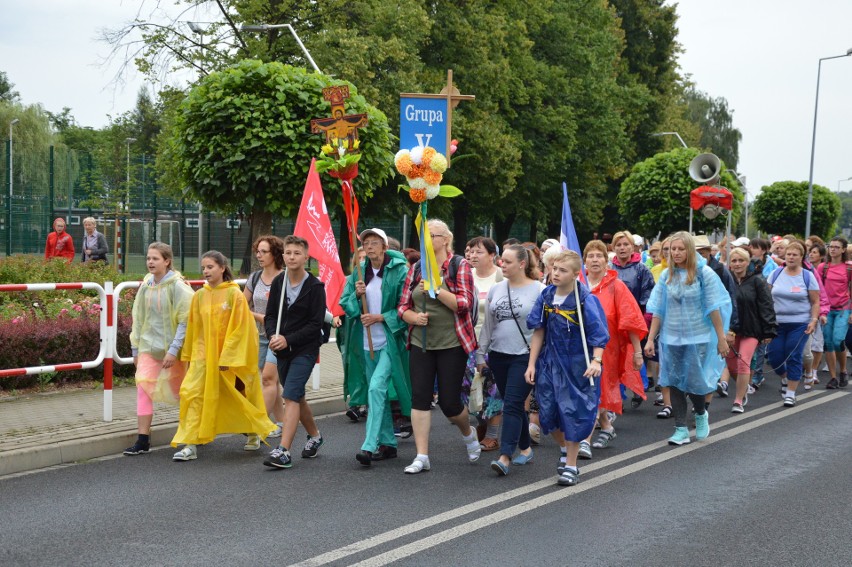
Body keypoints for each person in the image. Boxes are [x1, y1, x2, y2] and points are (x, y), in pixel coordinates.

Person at [397, 219, 481, 474]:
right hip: (421, 342)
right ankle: (422, 455)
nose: (427, 240)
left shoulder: (459, 266)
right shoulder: (417, 268)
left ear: (445, 239)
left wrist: (437, 289)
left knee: (449, 403)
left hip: (452, 343)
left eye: (431, 235)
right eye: (424, 236)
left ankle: (468, 433)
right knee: (420, 398)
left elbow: (464, 303)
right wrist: (410, 316)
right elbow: (402, 304)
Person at [171, 251, 273, 461]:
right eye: (204, 268)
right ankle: (190, 444)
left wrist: (228, 357)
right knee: (192, 394)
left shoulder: (234, 295)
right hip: (203, 358)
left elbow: (241, 328)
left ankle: (253, 432)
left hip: (229, 360)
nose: (206, 271)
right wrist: (193, 356)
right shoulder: (200, 295)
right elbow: (195, 328)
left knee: (239, 396)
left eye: (210, 267)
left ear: (222, 268)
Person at [525, 250, 608, 487]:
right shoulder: (547, 297)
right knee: (549, 413)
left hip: (577, 365)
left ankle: (571, 465)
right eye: (553, 268)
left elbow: (598, 334)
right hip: (550, 363)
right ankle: (564, 448)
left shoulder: (585, 300)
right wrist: (531, 364)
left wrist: (596, 361)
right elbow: (538, 331)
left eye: (562, 270)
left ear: (574, 274)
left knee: (572, 412)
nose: (556, 274)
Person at [644, 232, 731, 446]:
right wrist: (650, 338)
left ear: (690, 250)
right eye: (673, 249)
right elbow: (658, 310)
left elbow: (714, 308)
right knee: (674, 382)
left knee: (694, 381)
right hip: (671, 338)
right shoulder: (666, 275)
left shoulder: (705, 273)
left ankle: (700, 413)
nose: (676, 253)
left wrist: (721, 338)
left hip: (699, 337)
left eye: (681, 249)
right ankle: (680, 428)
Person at [339, 228, 411, 466]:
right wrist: (355, 296)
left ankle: (369, 445)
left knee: (377, 387)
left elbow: (406, 306)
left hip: (390, 341)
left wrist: (381, 317)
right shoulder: (358, 275)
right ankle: (388, 442)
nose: (369, 247)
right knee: (376, 393)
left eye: (374, 242)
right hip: (366, 343)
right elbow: (347, 307)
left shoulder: (399, 271)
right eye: (365, 243)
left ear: (384, 246)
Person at [477, 244, 543, 476]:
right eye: (501, 261)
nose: (501, 265)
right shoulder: (496, 289)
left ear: (522, 264)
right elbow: (488, 326)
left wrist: (535, 361)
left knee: (512, 404)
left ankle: (505, 456)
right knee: (512, 403)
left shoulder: (539, 290)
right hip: (498, 355)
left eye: (507, 262)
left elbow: (542, 329)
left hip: (524, 356)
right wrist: (480, 354)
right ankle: (525, 449)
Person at [263, 236, 327, 469]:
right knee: (297, 395)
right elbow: (271, 315)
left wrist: (288, 339)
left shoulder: (315, 287)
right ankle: (316, 436)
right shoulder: (279, 282)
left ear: (305, 257)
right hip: (281, 350)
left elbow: (315, 324)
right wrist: (273, 336)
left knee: (289, 395)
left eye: (296, 253)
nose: (291, 257)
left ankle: (283, 450)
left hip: (304, 349)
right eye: (288, 253)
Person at [124, 242, 194, 456]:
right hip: (149, 347)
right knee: (143, 387)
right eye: (148, 258)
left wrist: (173, 350)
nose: (150, 262)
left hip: (174, 351)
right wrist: (136, 349)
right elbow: (139, 316)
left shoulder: (178, 286)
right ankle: (143, 440)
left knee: (184, 393)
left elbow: (185, 320)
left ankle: (190, 437)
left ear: (167, 261)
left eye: (155, 258)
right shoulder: (146, 284)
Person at [581, 240, 646, 457]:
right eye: (591, 256)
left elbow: (631, 320)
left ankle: (584, 440)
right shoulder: (577, 284)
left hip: (608, 349)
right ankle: (607, 427)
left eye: (599, 255)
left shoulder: (616, 286)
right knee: (588, 391)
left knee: (595, 391)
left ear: (606, 260)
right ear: (585, 260)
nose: (595, 260)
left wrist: (637, 352)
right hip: (579, 348)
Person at [766, 241, 821, 406]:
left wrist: (813, 320)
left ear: (801, 257)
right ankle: (785, 378)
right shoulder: (775, 274)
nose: (791, 257)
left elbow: (816, 301)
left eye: (794, 255)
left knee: (794, 354)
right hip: (777, 324)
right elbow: (766, 299)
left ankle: (791, 393)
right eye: (788, 254)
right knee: (775, 358)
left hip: (799, 323)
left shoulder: (807, 276)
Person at [244, 235, 286, 438]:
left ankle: (258, 425)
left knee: (268, 379)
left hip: (279, 337)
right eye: (257, 251)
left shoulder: (285, 278)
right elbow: (242, 305)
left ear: (275, 253)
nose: (259, 255)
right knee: (272, 382)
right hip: (259, 336)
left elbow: (285, 312)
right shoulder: (254, 277)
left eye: (264, 252)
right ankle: (283, 422)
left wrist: (259, 317)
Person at [725, 247, 777, 413]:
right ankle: (744, 386)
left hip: (751, 329)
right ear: (730, 264)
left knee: (743, 362)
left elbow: (766, 305)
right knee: (731, 365)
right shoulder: (727, 280)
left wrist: (768, 330)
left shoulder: (757, 281)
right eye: (734, 260)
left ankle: (738, 400)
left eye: (741, 260)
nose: (738, 264)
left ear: (748, 262)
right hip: (731, 330)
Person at [464, 236, 504, 451]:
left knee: (493, 389)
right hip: (468, 344)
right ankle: (481, 424)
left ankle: (492, 435)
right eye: (470, 251)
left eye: (479, 252)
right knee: (470, 389)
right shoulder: (466, 277)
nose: (472, 255)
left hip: (494, 344)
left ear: (492, 255)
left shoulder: (500, 278)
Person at [610, 230, 655, 402]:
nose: (622, 248)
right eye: (618, 245)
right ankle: (617, 396)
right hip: (613, 320)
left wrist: (642, 319)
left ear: (633, 248)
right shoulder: (609, 269)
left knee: (635, 353)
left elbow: (648, 294)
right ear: (613, 248)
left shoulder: (642, 269)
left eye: (625, 244)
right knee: (615, 358)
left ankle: (639, 387)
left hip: (635, 319)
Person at [817, 237, 852, 389]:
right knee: (828, 343)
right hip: (826, 309)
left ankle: (843, 370)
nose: (833, 249)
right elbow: (817, 289)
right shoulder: (823, 267)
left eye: (837, 247)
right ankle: (833, 377)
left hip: (843, 308)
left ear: (843, 249)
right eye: (831, 246)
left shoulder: (849, 268)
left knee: (838, 340)